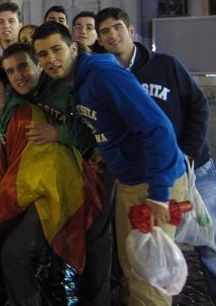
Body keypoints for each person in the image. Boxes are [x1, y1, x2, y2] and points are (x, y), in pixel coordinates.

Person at [32, 21, 187, 306]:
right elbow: (110, 123)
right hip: (131, 179)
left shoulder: (102, 75)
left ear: (73, 48)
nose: (50, 59)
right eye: (42, 54)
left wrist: (159, 194)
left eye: (56, 49)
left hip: (150, 181)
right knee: (135, 268)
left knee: (150, 280)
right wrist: (108, 151)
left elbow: (158, 128)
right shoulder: (78, 83)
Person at [96, 7, 216, 305]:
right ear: (99, 39)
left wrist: (187, 152)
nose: (112, 35)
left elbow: (199, 106)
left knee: (211, 244)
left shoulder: (166, 66)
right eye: (105, 31)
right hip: (147, 176)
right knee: (153, 246)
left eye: (117, 28)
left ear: (131, 30)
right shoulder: (107, 77)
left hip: (193, 168)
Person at [0, 64, 99, 305]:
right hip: (34, 191)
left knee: (15, 253)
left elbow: (28, 168)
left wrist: (3, 202)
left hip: (57, 190)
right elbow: (7, 169)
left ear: (7, 89)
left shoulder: (23, 115)